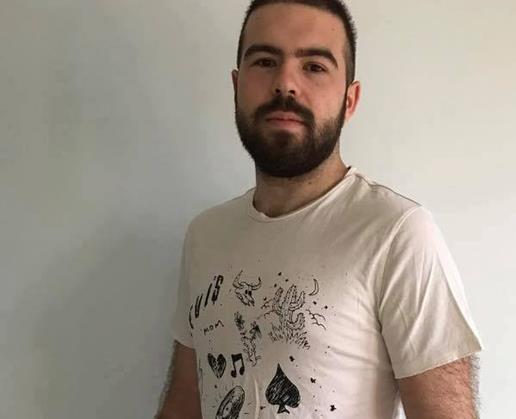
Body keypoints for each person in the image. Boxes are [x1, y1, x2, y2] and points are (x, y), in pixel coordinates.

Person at [155, 1, 485, 418]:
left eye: (314, 66)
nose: (285, 84)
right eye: (265, 61)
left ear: (350, 99)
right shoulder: (206, 235)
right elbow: (183, 405)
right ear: (237, 86)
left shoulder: (396, 234)